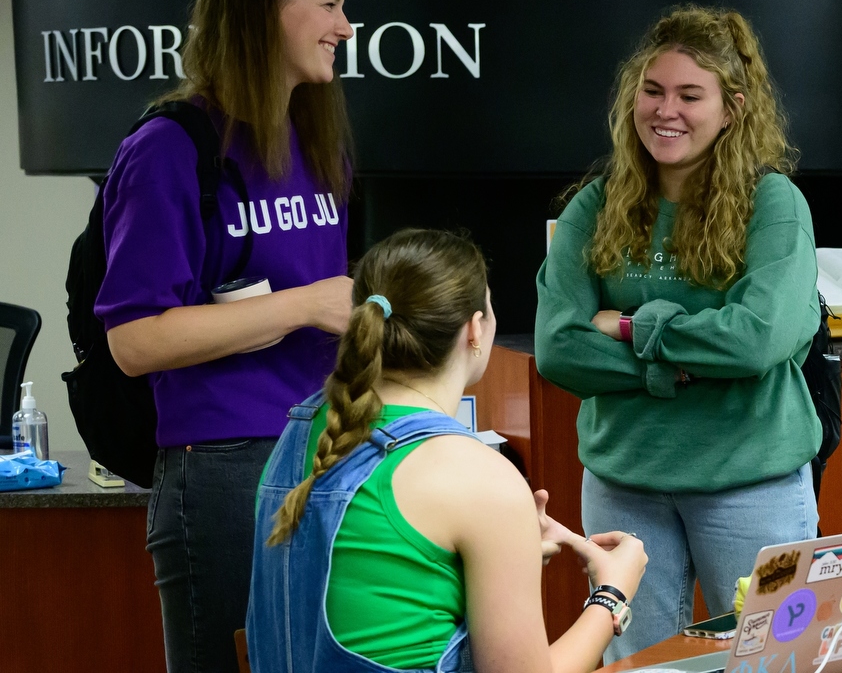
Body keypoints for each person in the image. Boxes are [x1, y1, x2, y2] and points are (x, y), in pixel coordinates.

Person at [92, 0, 358, 671]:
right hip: (222, 468)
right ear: (264, 11)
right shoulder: (170, 147)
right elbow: (135, 339)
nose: (345, 26)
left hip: (325, 451)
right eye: (330, 4)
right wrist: (306, 305)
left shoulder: (318, 141)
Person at [535, 4, 821, 660]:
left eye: (691, 95)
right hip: (625, 482)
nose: (667, 111)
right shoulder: (595, 205)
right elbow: (559, 348)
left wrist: (634, 326)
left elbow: (757, 340)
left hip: (752, 479)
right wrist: (687, 362)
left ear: (734, 108)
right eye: (653, 91)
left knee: (776, 659)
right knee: (639, 665)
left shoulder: (773, 204)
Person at [250, 229, 649, 673]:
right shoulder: (477, 477)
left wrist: (494, 548)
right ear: (475, 329)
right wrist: (613, 593)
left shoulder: (303, 429)